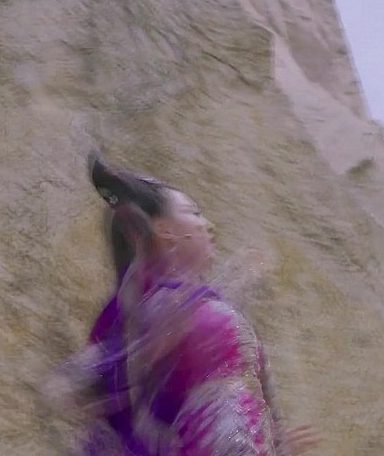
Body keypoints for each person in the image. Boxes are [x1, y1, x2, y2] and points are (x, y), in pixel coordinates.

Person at [46, 153, 318, 455]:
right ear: (164, 230)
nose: (208, 225)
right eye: (194, 213)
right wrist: (145, 349)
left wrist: (278, 445)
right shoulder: (147, 309)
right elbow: (63, 387)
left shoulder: (195, 303)